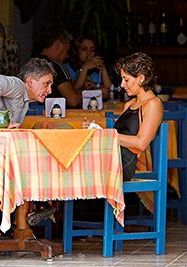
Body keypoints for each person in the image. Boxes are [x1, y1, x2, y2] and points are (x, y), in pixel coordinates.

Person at [84, 52, 163, 181]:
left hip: (124, 163)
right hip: (112, 155)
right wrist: (95, 129)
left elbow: (141, 143)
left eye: (126, 79)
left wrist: (106, 135)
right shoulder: (130, 104)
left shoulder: (153, 104)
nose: (122, 84)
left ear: (141, 78)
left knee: (83, 166)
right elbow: (119, 133)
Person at [33, 28, 82, 108]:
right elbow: (73, 100)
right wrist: (93, 95)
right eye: (67, 51)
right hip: (52, 116)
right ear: (58, 44)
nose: (67, 56)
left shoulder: (29, 64)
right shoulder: (55, 66)